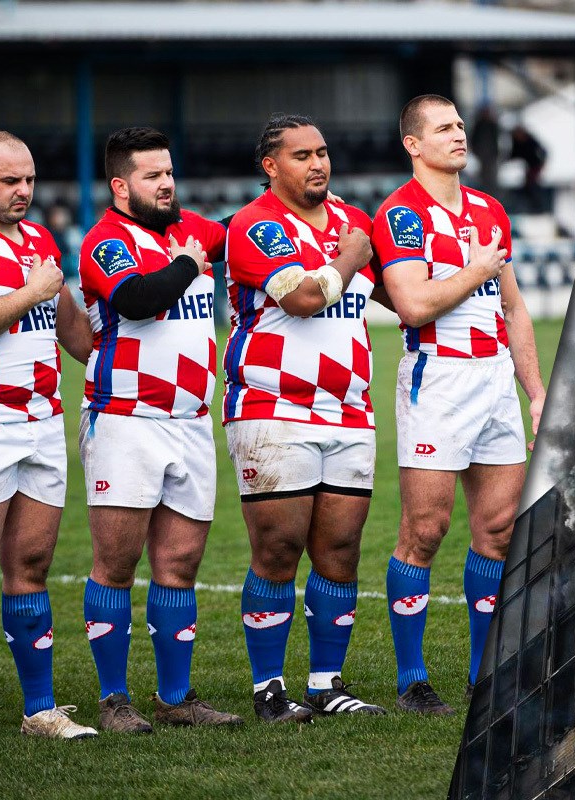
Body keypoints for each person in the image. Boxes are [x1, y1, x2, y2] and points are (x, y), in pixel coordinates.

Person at [372, 95, 546, 715]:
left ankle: (484, 676)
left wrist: (535, 392)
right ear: (413, 145)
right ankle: (412, 679)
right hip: (437, 381)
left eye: (461, 125)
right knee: (425, 530)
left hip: (495, 379)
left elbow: (514, 307)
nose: (459, 135)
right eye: (444, 128)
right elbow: (413, 306)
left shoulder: (489, 210)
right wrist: (475, 270)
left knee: (499, 532)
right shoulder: (400, 215)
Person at [77, 127, 242, 733]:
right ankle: (114, 699)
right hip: (126, 422)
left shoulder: (194, 228)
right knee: (115, 564)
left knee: (180, 563)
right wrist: (187, 262)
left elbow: (244, 226)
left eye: (169, 172)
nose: (167, 183)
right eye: (152, 175)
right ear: (122, 185)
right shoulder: (105, 241)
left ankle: (177, 698)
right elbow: (139, 300)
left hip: (192, 423)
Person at [224, 114, 384, 723]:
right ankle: (269, 688)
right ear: (272, 166)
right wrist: (348, 259)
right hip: (272, 409)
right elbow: (305, 298)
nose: (318, 164)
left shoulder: (354, 220)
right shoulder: (254, 225)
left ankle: (326, 683)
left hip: (350, 411)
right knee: (279, 547)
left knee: (340, 548)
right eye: (301, 155)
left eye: (322, 152)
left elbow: (390, 291)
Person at [0, 131, 96, 749]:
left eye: (29, 180)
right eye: (10, 181)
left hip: (41, 423)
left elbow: (75, 336)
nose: (23, 192)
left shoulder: (39, 239)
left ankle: (40, 708)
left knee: (30, 567)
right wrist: (32, 291)